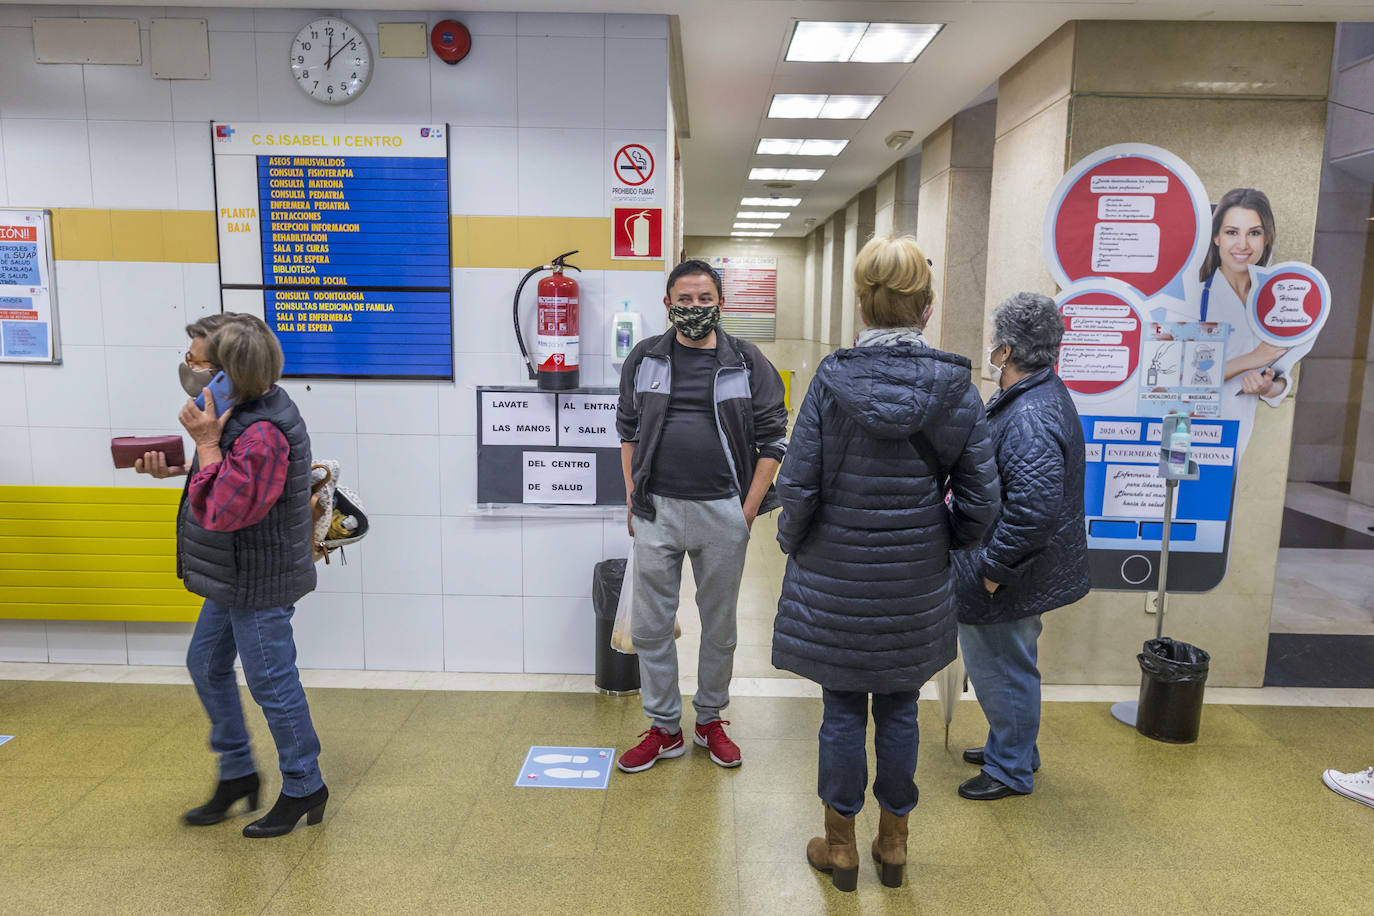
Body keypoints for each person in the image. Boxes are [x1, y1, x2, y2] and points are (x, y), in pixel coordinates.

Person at [772, 235, 999, 891]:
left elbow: (800, 486)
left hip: (834, 579)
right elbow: (983, 503)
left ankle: (839, 847)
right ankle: (893, 843)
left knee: (842, 710)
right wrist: (940, 538)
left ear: (863, 307)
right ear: (926, 308)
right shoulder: (958, 390)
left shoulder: (830, 382)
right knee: (901, 709)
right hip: (915, 583)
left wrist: (796, 541)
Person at [136, 313, 325, 838]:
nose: (189, 369)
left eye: (197, 361)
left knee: (271, 680)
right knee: (206, 663)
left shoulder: (262, 429)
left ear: (228, 371)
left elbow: (225, 511)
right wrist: (183, 464)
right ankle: (238, 773)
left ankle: (305, 783)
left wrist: (206, 446)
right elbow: (229, 482)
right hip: (236, 572)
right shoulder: (235, 410)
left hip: (258, 579)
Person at [614, 259, 788, 774]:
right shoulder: (645, 358)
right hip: (657, 508)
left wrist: (747, 509)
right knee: (649, 627)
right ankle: (665, 728)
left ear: (720, 303)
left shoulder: (747, 361)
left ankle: (710, 720)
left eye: (704, 299)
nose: (695, 309)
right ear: (667, 305)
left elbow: (773, 439)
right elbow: (628, 433)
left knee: (719, 627)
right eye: (684, 301)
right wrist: (631, 497)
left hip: (722, 512)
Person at [951, 292, 1089, 801]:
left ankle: (1010, 768)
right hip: (1028, 566)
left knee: (1002, 668)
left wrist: (993, 569)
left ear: (1005, 350)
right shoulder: (1041, 393)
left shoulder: (1030, 413)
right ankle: (1014, 746)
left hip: (1011, 570)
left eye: (995, 343)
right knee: (1013, 660)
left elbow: (1033, 509)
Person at [1195, 188, 1313, 453]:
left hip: (1236, 433)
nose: (1243, 245)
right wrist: (1253, 359)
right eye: (1232, 232)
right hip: (1186, 429)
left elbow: (1281, 379)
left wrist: (1268, 386)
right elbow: (1176, 378)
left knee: (1224, 494)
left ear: (1266, 237)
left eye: (1254, 233)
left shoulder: (1280, 304)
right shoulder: (1192, 296)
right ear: (1216, 237)